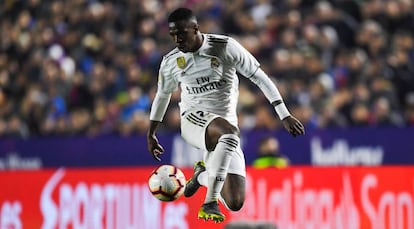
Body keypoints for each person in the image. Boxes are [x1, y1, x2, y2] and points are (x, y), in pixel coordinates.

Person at [147, 7, 305, 223]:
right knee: (230, 133)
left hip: (225, 126)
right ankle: (210, 201)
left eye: (181, 33)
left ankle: (201, 176)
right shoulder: (171, 61)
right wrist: (151, 133)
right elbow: (162, 96)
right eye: (173, 35)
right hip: (193, 120)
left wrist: (283, 113)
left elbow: (260, 77)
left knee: (235, 201)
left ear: (195, 29)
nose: (177, 39)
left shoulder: (225, 47)